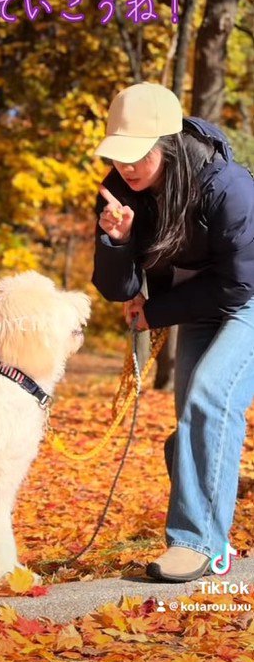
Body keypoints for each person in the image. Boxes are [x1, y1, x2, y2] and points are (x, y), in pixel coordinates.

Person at [92, 82, 254, 582]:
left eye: (137, 155)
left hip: (246, 296)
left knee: (210, 398)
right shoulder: (120, 191)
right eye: (118, 155)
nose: (126, 167)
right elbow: (118, 290)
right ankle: (197, 461)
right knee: (192, 412)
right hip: (203, 302)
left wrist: (158, 310)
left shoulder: (227, 187)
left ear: (167, 143)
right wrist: (116, 241)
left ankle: (196, 542)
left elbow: (239, 283)